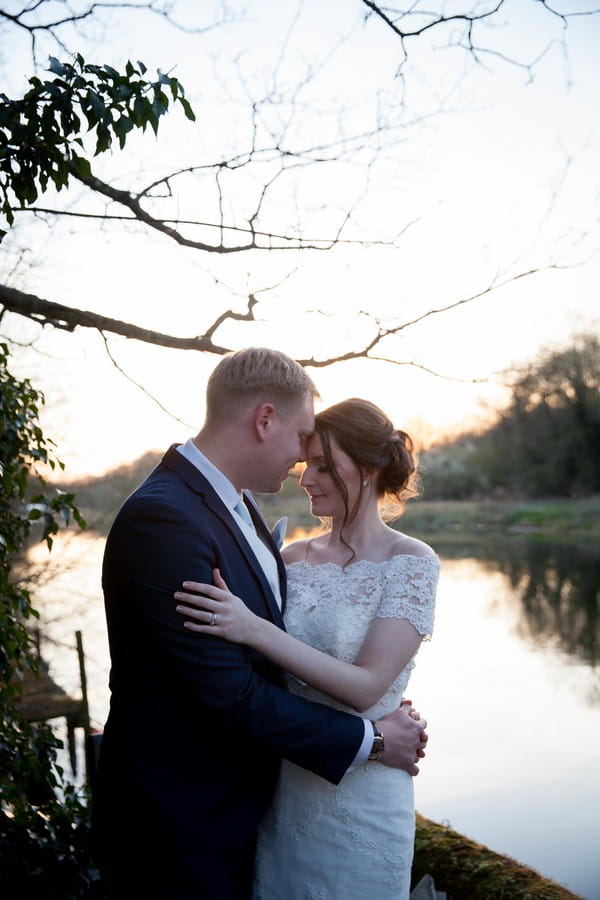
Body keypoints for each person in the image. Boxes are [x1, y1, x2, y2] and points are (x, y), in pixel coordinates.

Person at [93, 349, 428, 900]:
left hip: (253, 809)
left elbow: (279, 654)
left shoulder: (236, 505)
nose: (303, 462)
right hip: (181, 827)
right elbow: (230, 693)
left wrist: (379, 699)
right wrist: (370, 738)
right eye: (302, 440)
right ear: (264, 419)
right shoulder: (166, 518)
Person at [174, 397, 440, 899]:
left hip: (364, 797)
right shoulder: (287, 558)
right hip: (285, 787)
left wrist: (254, 629)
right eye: (304, 463)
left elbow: (366, 688)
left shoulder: (412, 563)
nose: (304, 477)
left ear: (369, 468)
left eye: (322, 465)